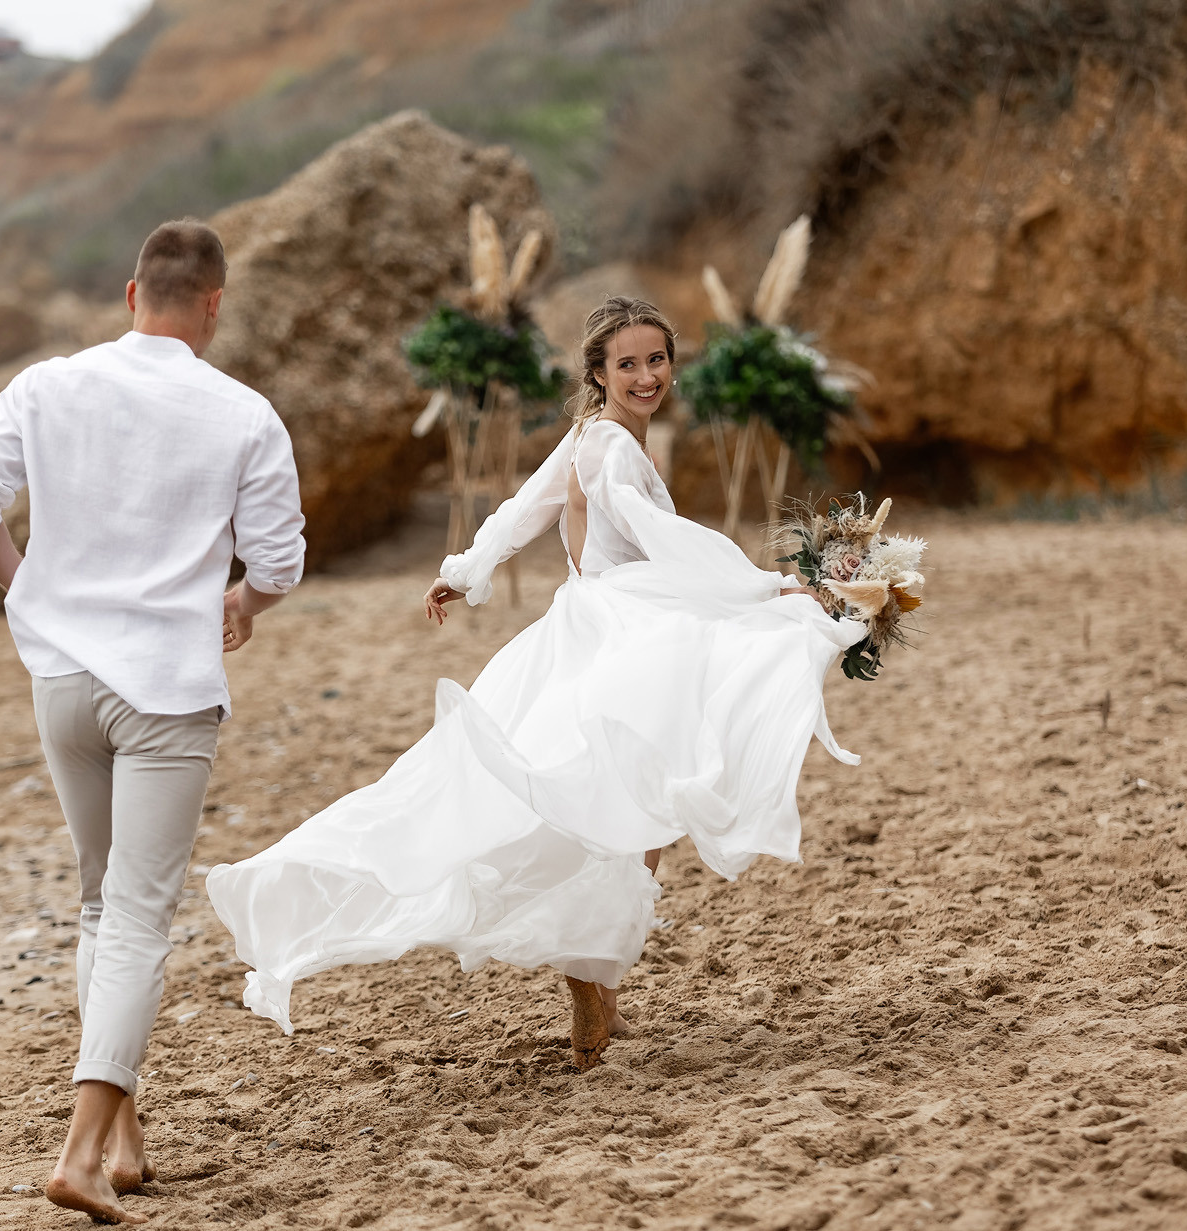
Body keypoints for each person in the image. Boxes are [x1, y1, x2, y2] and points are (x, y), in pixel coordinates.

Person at [207, 296, 863, 1070]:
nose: (647, 375)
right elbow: (662, 539)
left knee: (629, 805)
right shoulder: (613, 449)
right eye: (628, 363)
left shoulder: (590, 435)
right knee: (639, 810)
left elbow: (524, 508)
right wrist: (771, 587)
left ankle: (600, 981)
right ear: (597, 371)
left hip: (596, 622)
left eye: (657, 359)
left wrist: (466, 569)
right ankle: (591, 973)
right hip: (627, 631)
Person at [0, 219, 306, 1224]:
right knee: (140, 915)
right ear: (214, 304)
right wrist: (242, 604)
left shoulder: (46, 385)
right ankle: (76, 1153)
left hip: (61, 677)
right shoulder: (241, 413)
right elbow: (275, 563)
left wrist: (33, 591)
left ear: (129, 292)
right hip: (164, 689)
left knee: (100, 905)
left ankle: (123, 1138)